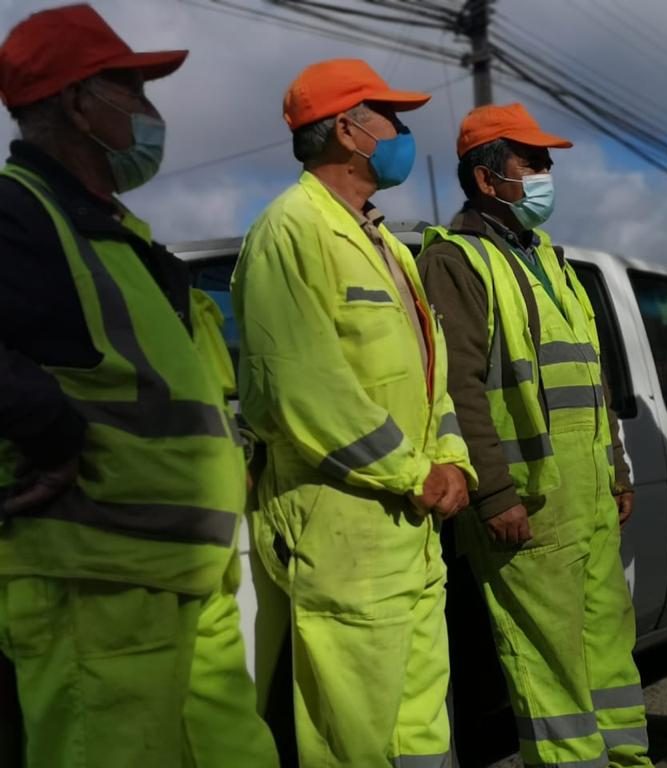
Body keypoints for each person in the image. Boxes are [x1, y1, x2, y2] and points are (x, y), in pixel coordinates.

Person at [0, 5, 277, 767]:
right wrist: (47, 424)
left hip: (186, 569)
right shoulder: (18, 211)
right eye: (132, 88)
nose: (149, 111)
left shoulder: (120, 234)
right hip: (96, 582)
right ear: (77, 103)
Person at [232, 59, 476, 768]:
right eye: (390, 118)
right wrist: (415, 473)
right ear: (347, 130)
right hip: (345, 533)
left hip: (409, 530)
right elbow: (303, 389)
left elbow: (430, 378)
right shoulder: (290, 230)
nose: (402, 133)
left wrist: (452, 460)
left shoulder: (384, 242)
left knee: (420, 732)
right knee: (355, 741)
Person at [418, 103, 653, 768]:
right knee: (551, 668)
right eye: (534, 162)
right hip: (530, 503)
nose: (548, 173)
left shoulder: (548, 257)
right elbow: (457, 390)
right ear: (487, 179)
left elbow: (590, 378)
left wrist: (617, 470)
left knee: (608, 650)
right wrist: (495, 494)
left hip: (589, 498)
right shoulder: (456, 261)